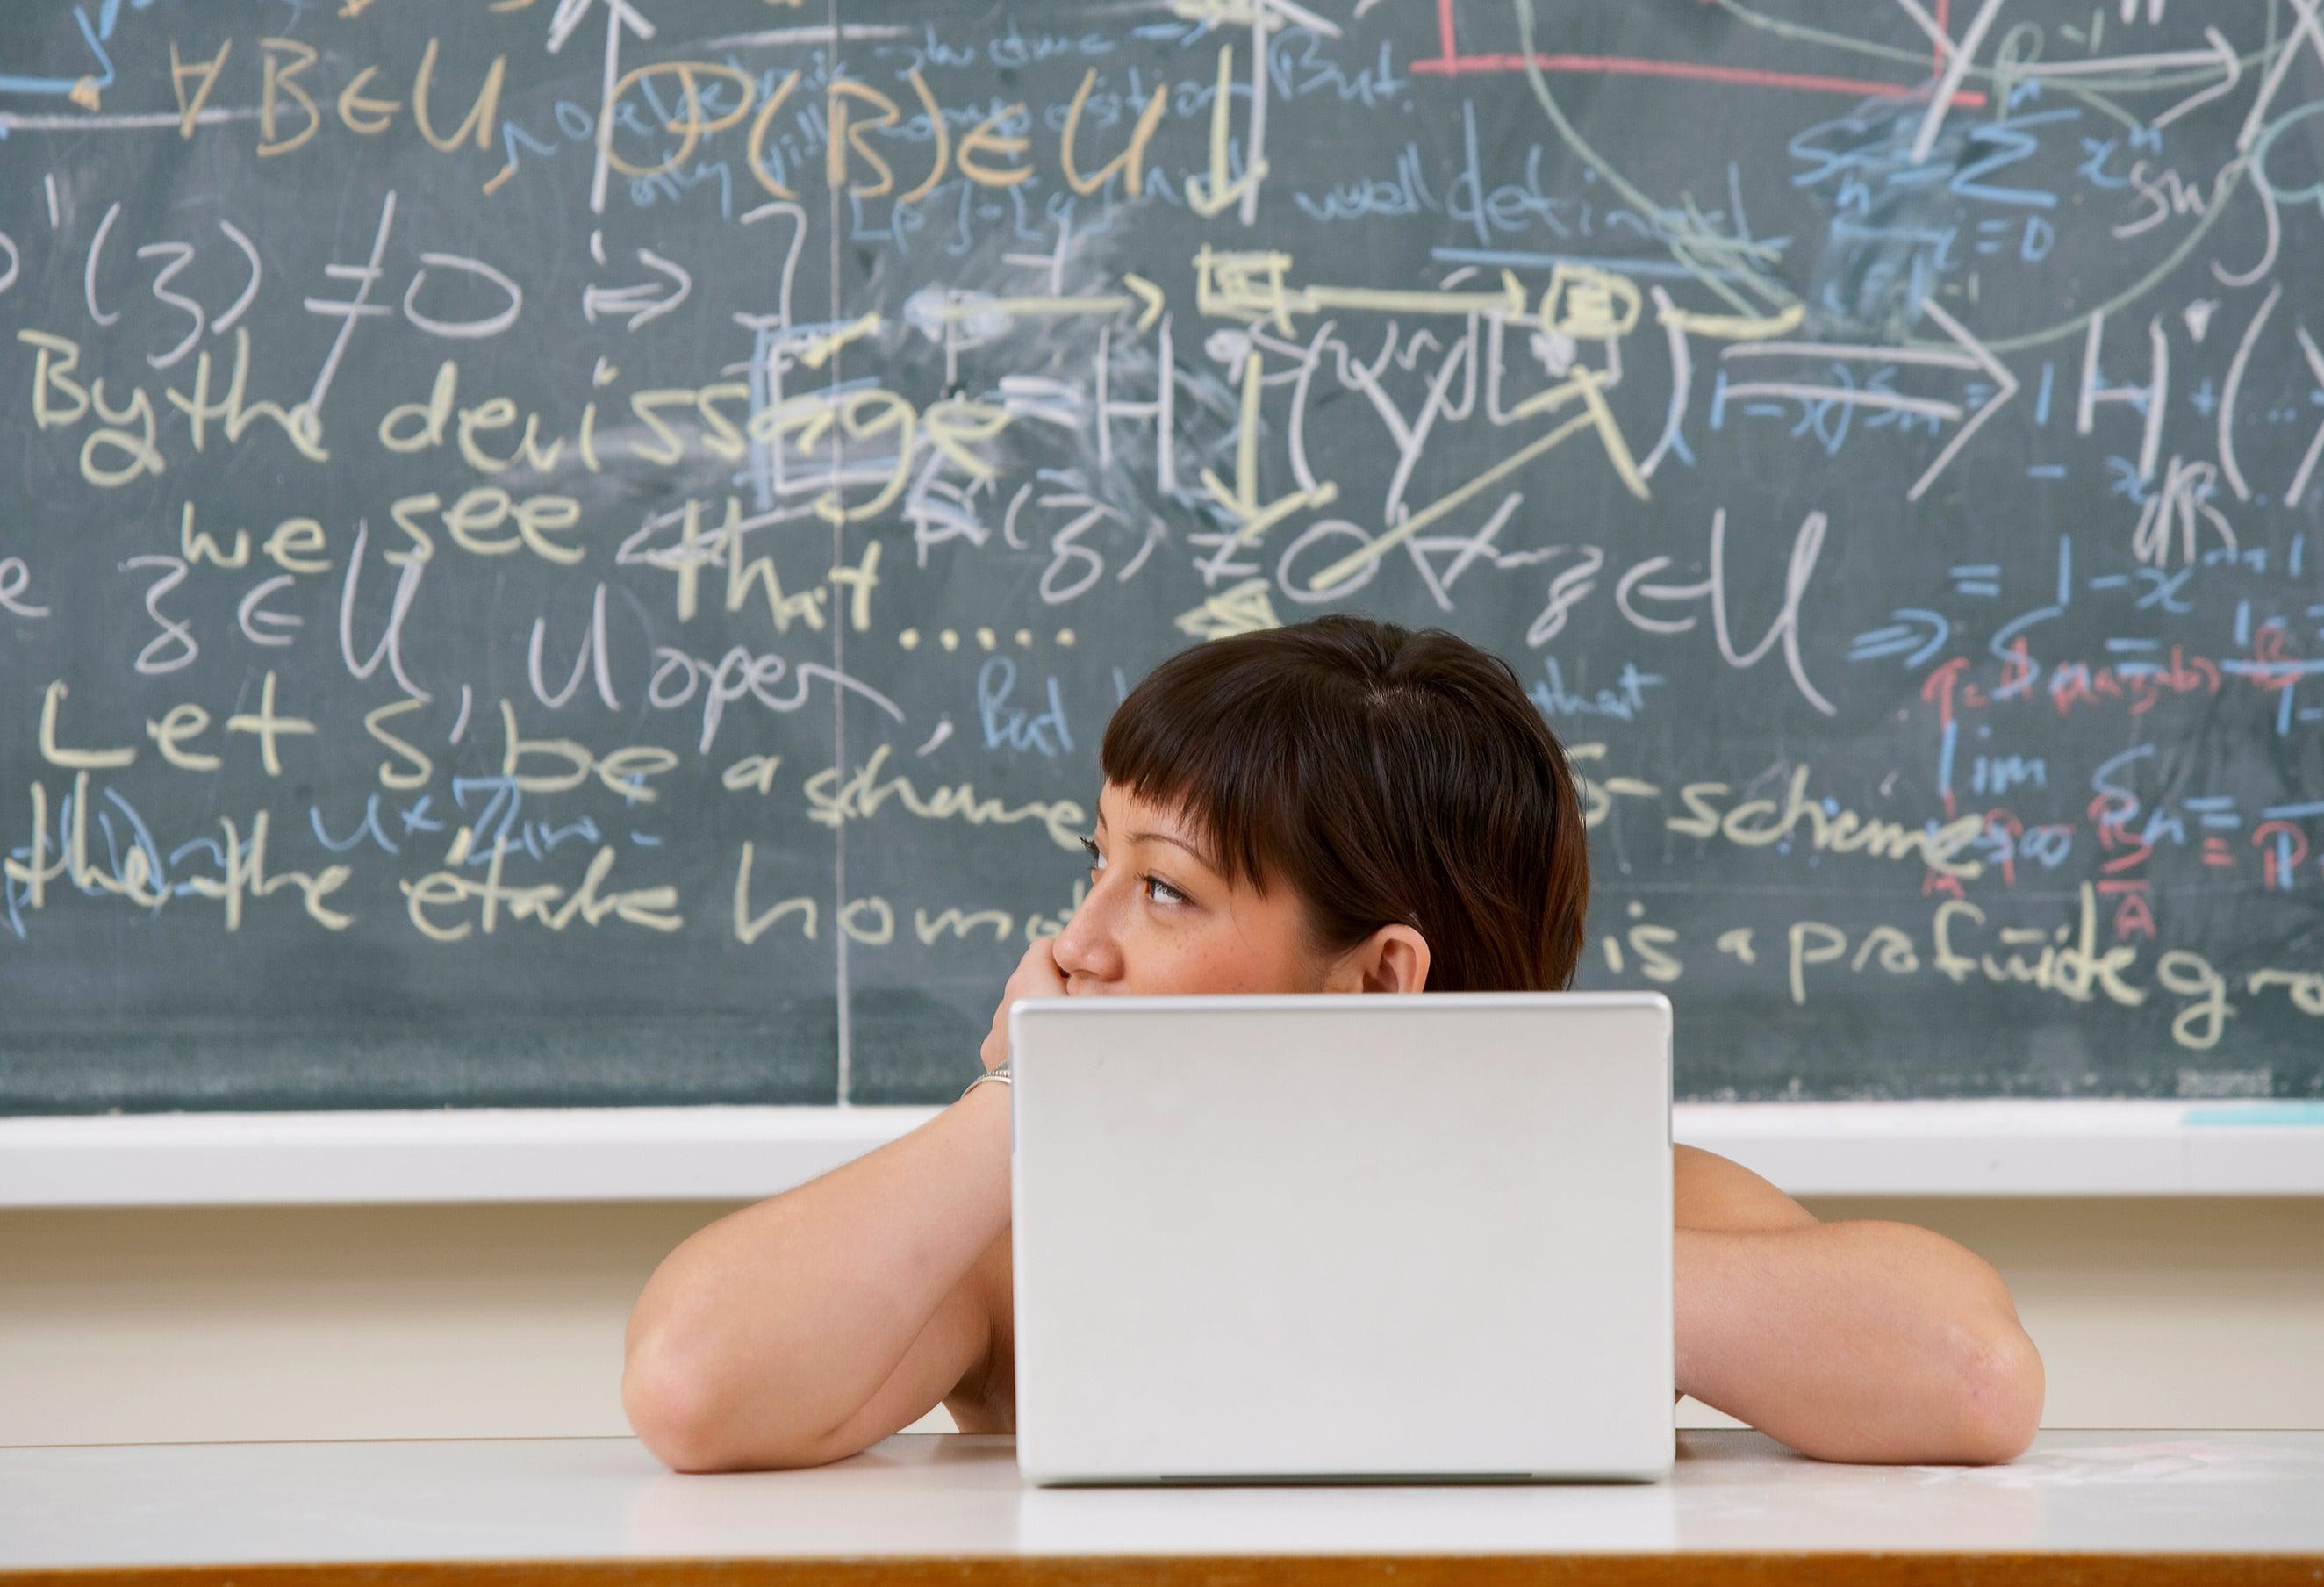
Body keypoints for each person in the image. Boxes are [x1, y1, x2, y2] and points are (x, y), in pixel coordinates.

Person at [621, 615, 2045, 1472]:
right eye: (1096, 863)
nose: (1078, 942)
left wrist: (1461, 1240)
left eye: (1163, 891)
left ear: (1378, 981)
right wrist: (1020, 1094)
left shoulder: (1619, 1202)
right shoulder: (1024, 1232)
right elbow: (695, 1385)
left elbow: (1971, 1377)